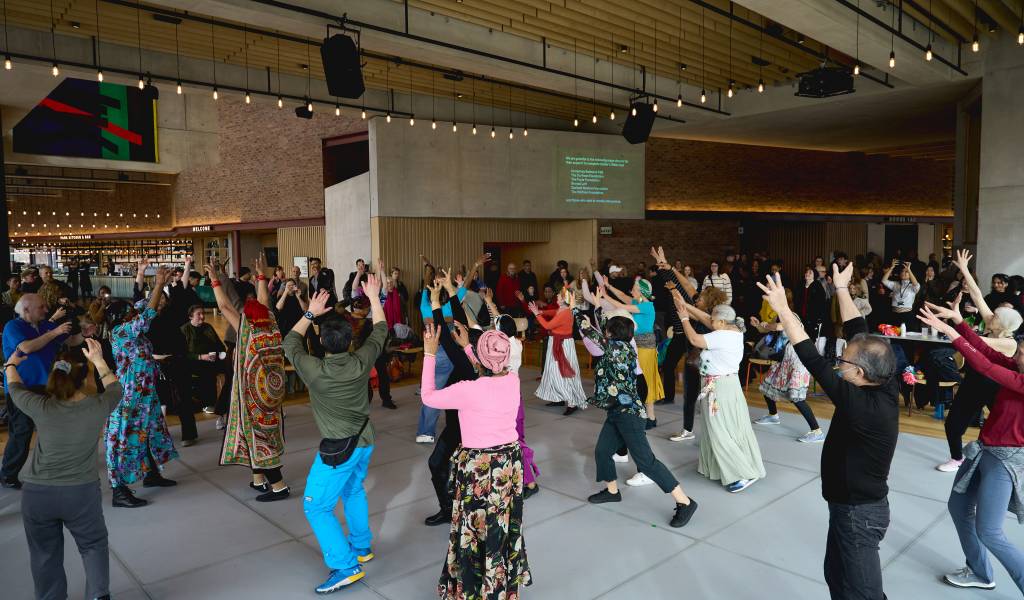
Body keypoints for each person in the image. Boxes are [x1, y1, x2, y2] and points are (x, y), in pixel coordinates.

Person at [760, 264, 899, 600]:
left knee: (863, 593)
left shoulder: (864, 406)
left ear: (860, 372)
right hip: (848, 508)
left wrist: (784, 311)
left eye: (843, 362)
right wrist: (840, 289)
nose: (839, 363)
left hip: (858, 514)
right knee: (836, 577)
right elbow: (858, 329)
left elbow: (813, 359)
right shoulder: (882, 379)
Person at [283, 274, 386, 594]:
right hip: (364, 440)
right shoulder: (361, 360)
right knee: (353, 490)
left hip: (339, 450)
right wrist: (374, 297)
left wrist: (310, 312)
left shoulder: (314, 370)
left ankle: (345, 565)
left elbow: (289, 342)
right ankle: (361, 546)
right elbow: (380, 331)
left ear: (323, 342)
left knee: (315, 507)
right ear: (350, 339)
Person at [917, 300, 1024, 592]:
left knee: (990, 531)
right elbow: (988, 353)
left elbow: (985, 365)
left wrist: (949, 332)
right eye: (1019, 351)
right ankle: (980, 572)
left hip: (1006, 461)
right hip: (984, 450)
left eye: (1022, 353)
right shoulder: (1017, 367)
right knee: (958, 506)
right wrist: (958, 322)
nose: (1017, 356)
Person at [421, 322, 532, 598]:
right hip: (508, 464)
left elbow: (428, 396)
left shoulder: (467, 390)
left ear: (481, 361)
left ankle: (473, 588)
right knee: (501, 524)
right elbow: (489, 368)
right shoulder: (513, 380)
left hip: (479, 469)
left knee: (473, 528)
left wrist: (429, 353)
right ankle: (500, 585)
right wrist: (469, 347)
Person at [8, 339, 120, 600]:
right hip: (80, 494)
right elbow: (115, 388)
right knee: (93, 545)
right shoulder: (98, 406)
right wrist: (98, 360)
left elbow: (14, 388)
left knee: (44, 554)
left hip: (37, 496)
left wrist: (11, 364)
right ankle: (98, 595)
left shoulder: (41, 406)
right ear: (84, 379)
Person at [575, 293, 699, 528]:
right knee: (602, 451)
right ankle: (612, 491)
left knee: (647, 462)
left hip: (629, 415)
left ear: (610, 335)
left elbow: (589, 330)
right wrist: (598, 307)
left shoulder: (613, 349)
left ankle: (685, 501)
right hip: (617, 411)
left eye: (607, 331)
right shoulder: (626, 346)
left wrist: (575, 309)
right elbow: (604, 327)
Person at [207, 258, 290, 502]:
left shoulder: (248, 331)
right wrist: (261, 276)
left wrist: (215, 280)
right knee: (260, 433)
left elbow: (224, 306)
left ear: (248, 318)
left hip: (254, 396)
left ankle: (279, 487)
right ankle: (258, 479)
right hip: (272, 393)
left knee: (258, 436)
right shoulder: (272, 326)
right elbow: (264, 303)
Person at [937, 249, 1022, 472]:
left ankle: (967, 459)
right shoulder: (995, 324)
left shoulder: (1008, 343)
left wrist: (953, 324)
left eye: (995, 315)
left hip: (992, 385)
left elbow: (976, 343)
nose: (990, 314)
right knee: (956, 424)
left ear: (1001, 324)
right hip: (977, 380)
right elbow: (976, 295)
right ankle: (958, 458)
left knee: (986, 424)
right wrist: (965, 269)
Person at [674, 296, 765, 493]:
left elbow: (694, 339)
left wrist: (684, 318)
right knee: (721, 428)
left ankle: (741, 473)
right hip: (725, 385)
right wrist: (686, 305)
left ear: (722, 322)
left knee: (718, 430)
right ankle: (717, 466)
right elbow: (708, 319)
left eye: (714, 320)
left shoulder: (722, 336)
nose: (710, 322)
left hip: (719, 387)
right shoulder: (734, 329)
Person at [106, 268, 179, 508]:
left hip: (145, 391)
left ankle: (151, 473)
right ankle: (118, 490)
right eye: (129, 312)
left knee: (150, 431)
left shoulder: (129, 325)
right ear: (121, 317)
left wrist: (161, 285)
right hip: (129, 395)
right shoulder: (120, 332)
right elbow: (147, 313)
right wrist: (158, 285)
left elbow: (145, 306)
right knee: (125, 438)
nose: (133, 313)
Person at [0, 294, 75, 489]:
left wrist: (85, 333)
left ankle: (52, 468)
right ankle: (8, 474)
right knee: (22, 431)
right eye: (41, 307)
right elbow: (26, 347)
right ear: (26, 310)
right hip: (21, 387)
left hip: (45, 385)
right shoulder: (13, 326)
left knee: (52, 428)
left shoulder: (45, 326)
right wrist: (54, 332)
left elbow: (71, 340)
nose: (46, 310)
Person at [750, 306, 825, 444]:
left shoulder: (791, 315)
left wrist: (766, 324)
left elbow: (778, 327)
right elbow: (765, 329)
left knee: (796, 397)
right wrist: (758, 325)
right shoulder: (777, 316)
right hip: (787, 358)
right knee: (767, 385)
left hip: (799, 360)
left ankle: (817, 431)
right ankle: (773, 415)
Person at [603, 274, 665, 428]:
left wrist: (604, 295)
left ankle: (650, 417)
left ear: (642, 292)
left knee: (645, 380)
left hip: (646, 348)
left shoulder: (647, 306)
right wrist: (609, 286)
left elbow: (622, 306)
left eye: (635, 289)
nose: (632, 291)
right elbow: (622, 296)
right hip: (637, 346)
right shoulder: (638, 302)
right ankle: (646, 416)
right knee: (639, 380)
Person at [530, 288, 588, 415]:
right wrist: (541, 311)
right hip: (556, 342)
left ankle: (572, 402)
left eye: (559, 296)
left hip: (563, 345)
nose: (557, 296)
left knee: (565, 373)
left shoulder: (566, 312)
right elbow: (554, 312)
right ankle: (558, 398)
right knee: (553, 371)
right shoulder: (563, 309)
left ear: (564, 299)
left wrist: (537, 314)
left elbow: (547, 326)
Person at [181, 304, 231, 419]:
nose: (202, 316)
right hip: (194, 362)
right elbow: (182, 354)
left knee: (231, 367)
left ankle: (227, 399)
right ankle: (208, 403)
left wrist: (221, 354)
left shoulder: (208, 327)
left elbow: (220, 346)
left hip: (212, 359)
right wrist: (201, 357)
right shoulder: (184, 330)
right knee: (206, 370)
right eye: (199, 314)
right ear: (190, 316)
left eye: (203, 313)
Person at [882, 258, 920, 331]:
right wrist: (891, 268)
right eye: (902, 271)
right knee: (893, 335)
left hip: (907, 315)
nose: (903, 273)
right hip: (894, 314)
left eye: (906, 272)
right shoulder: (895, 284)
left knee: (907, 335)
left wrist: (909, 269)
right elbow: (884, 281)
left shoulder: (912, 286)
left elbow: (916, 285)